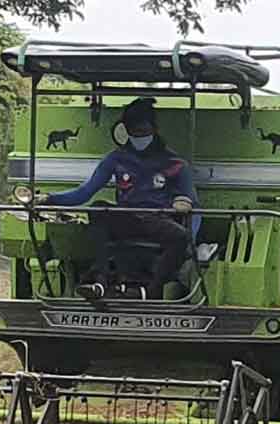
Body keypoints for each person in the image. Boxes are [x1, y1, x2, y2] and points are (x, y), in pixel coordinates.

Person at [42, 97, 199, 299]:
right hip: (126, 217)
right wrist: (50, 199)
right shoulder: (117, 158)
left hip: (158, 220)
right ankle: (100, 280)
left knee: (180, 236)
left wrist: (191, 241)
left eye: (144, 131)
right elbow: (85, 192)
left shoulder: (175, 163)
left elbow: (193, 204)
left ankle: (152, 289)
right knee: (97, 208)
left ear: (154, 129)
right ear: (127, 131)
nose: (139, 136)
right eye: (134, 132)